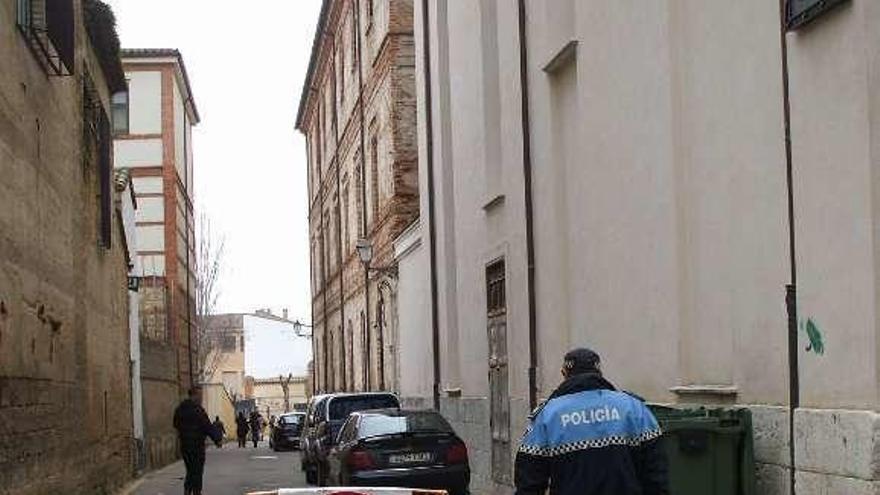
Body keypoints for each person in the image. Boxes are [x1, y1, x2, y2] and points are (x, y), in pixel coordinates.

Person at [514, 348, 668, 495]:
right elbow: (656, 472)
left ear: (564, 374)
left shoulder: (548, 415)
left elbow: (529, 480)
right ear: (599, 373)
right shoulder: (633, 407)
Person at [173, 386, 222, 495]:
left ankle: (187, 491)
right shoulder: (198, 410)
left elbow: (175, 424)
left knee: (190, 470)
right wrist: (217, 440)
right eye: (199, 395)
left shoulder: (180, 409)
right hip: (197, 445)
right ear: (194, 395)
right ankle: (196, 492)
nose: (201, 398)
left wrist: (183, 433)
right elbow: (207, 426)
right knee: (197, 471)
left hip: (185, 445)